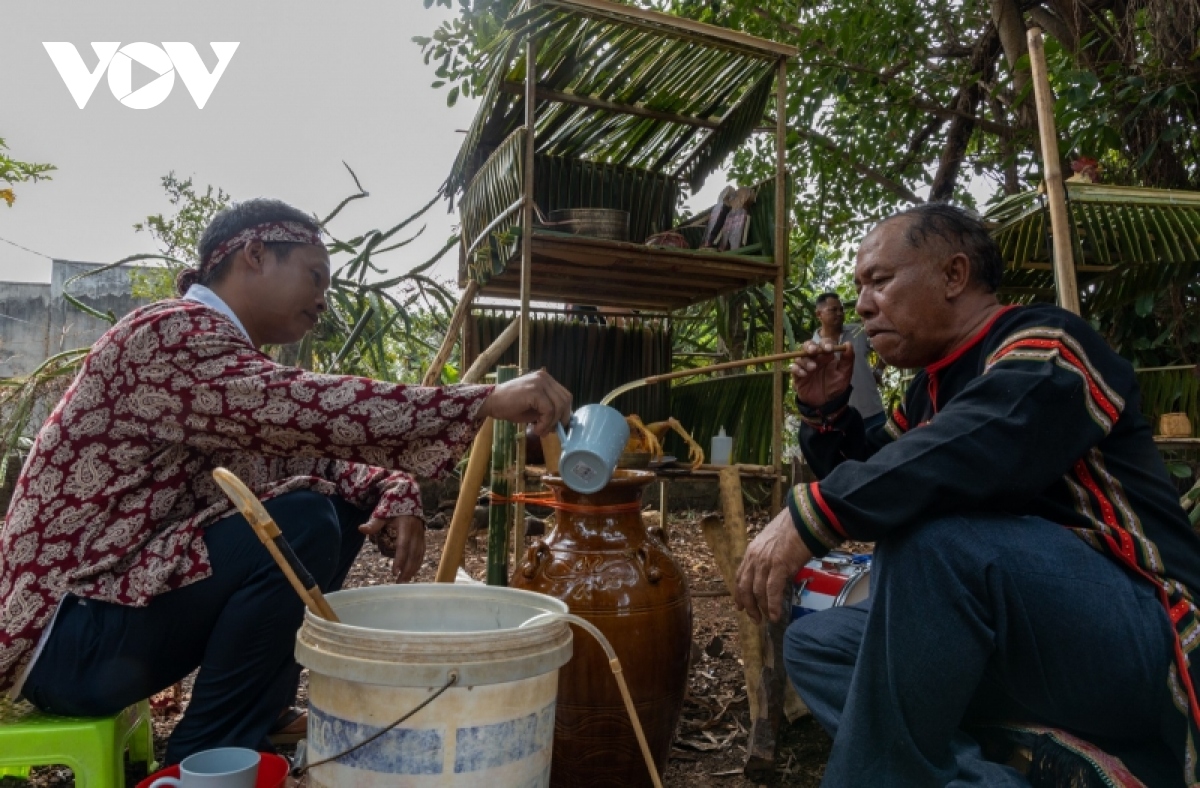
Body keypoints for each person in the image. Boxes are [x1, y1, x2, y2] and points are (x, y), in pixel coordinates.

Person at [0, 198, 573, 763]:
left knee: (333, 506)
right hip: (67, 639)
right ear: (254, 254)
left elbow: (313, 456)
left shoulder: (215, 358)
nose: (323, 300)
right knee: (300, 521)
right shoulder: (171, 336)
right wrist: (482, 400)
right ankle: (207, 756)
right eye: (315, 276)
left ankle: (258, 714)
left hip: (102, 625)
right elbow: (307, 407)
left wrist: (394, 490)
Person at [733, 203, 1200, 786]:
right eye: (858, 287)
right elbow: (883, 469)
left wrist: (808, 518)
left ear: (954, 276)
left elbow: (974, 447)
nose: (860, 305)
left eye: (879, 281)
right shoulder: (930, 390)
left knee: (934, 541)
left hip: (1142, 632)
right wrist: (829, 411)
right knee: (820, 644)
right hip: (1026, 638)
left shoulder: (1047, 343)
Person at [811, 292, 887, 431]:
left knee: (885, 452)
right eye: (833, 310)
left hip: (872, 411)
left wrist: (879, 370)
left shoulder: (859, 332)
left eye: (841, 309)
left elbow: (885, 346)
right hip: (839, 420)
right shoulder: (812, 347)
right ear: (819, 314)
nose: (839, 313)